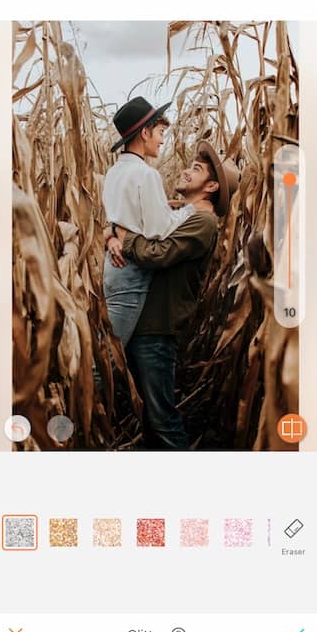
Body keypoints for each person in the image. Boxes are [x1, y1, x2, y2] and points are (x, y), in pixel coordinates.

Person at [107, 140, 239, 450]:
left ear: (211, 187)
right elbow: (123, 224)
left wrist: (123, 238)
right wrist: (111, 233)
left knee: (162, 417)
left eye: (196, 169)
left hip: (157, 328)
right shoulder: (176, 214)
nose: (184, 170)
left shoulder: (203, 223)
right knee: (151, 418)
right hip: (142, 324)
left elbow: (158, 254)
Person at [103, 96, 206, 348]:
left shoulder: (113, 172)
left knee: (110, 345)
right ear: (145, 133)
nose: (162, 140)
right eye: (160, 132)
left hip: (112, 266)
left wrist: (111, 235)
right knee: (111, 354)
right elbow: (160, 230)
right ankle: (84, 389)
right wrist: (191, 210)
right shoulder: (146, 174)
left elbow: (116, 218)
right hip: (131, 271)